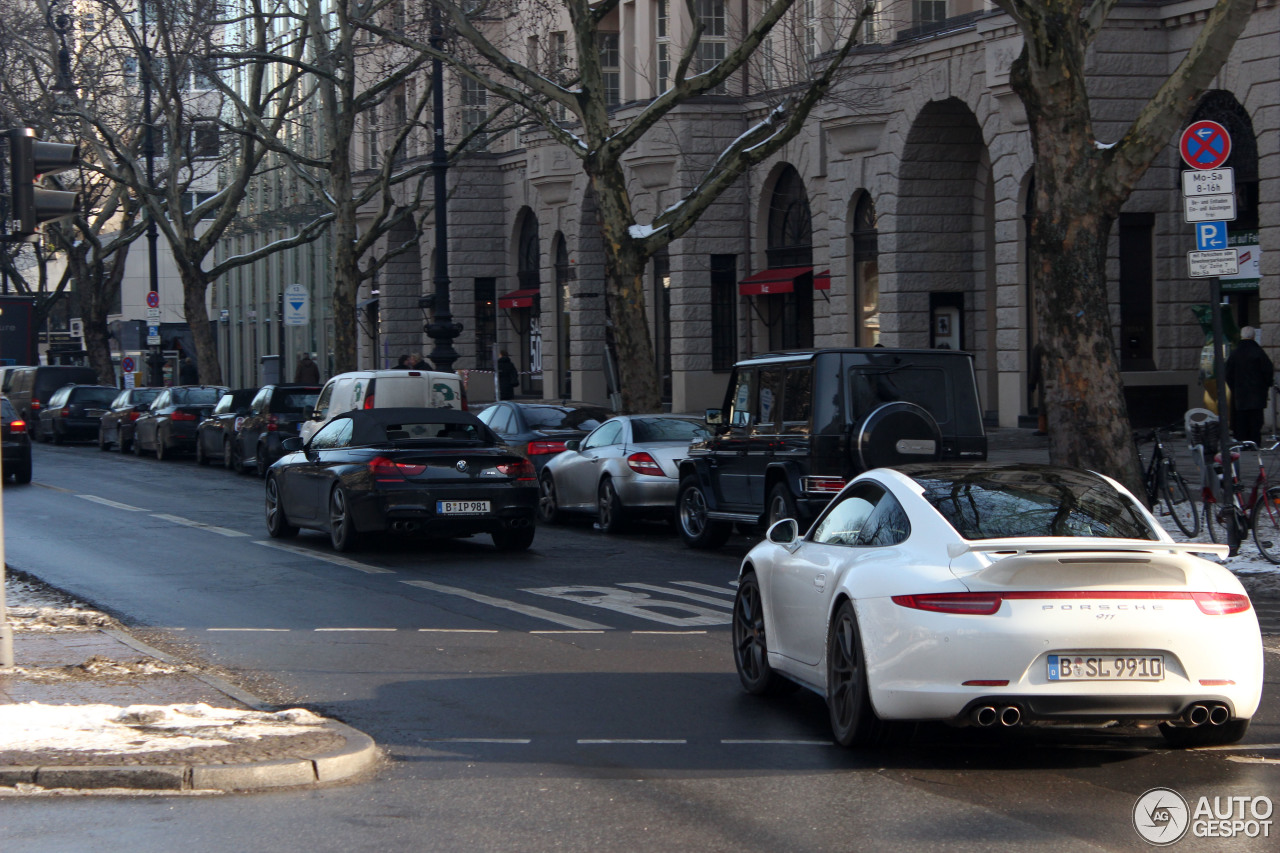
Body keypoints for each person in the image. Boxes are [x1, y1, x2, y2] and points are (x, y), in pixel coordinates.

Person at [1225, 326, 1275, 447]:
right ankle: (1254, 442)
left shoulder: (1235, 353)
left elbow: (1228, 373)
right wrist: (1267, 384)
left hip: (1240, 392)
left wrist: (1234, 387)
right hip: (1257, 393)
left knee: (1241, 419)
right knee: (1255, 420)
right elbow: (1267, 371)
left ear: (1242, 336)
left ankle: (1242, 441)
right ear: (1253, 336)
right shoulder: (1258, 352)